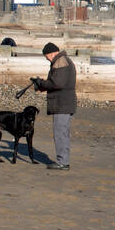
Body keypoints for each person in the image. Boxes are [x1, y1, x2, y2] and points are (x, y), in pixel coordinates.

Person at [30, 42, 76, 171]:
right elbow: (58, 83)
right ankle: (63, 160)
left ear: (52, 53)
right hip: (64, 103)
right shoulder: (63, 60)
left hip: (62, 104)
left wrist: (41, 83)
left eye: (47, 57)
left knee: (60, 133)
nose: (48, 59)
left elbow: (57, 83)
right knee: (63, 133)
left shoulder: (61, 61)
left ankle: (63, 162)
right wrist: (42, 85)